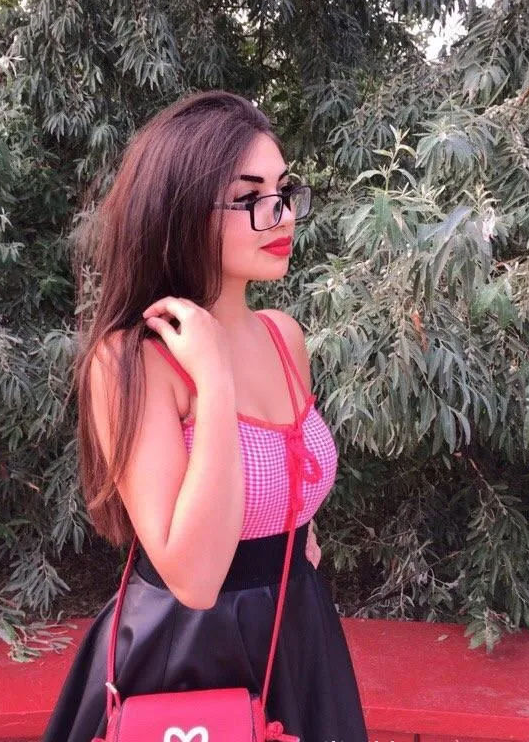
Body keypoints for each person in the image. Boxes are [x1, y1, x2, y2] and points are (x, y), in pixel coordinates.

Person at [42, 91, 369, 742]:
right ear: (182, 212)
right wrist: (214, 380)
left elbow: (288, 488)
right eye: (249, 198)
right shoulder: (132, 361)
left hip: (298, 635)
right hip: (188, 652)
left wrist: (296, 530)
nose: (281, 215)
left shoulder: (283, 336)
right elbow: (193, 579)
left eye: (284, 191)